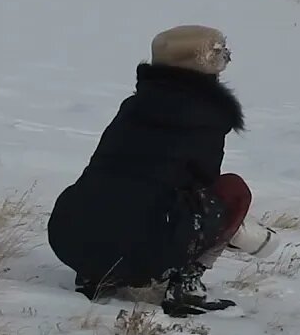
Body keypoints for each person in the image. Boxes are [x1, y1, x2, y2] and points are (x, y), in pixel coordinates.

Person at [46, 25, 278, 317]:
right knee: (232, 192)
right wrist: (233, 232)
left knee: (117, 188)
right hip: (141, 252)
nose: (225, 59)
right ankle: (185, 287)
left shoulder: (134, 106)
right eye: (218, 52)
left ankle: (98, 275)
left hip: (73, 238)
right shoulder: (206, 116)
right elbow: (202, 187)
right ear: (198, 61)